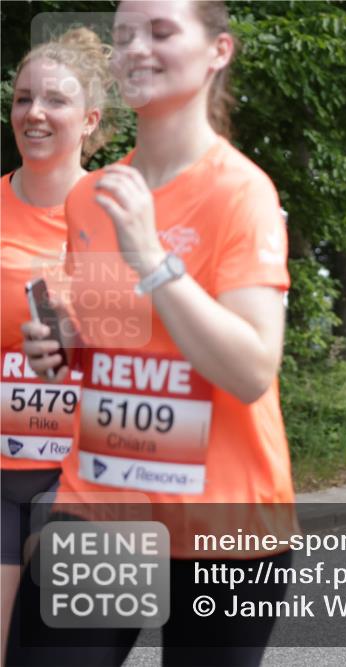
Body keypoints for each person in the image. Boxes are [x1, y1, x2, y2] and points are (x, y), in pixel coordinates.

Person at [12, 2, 296, 665]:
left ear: (217, 51)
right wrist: (65, 355)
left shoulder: (241, 193)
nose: (137, 48)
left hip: (226, 527)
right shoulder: (92, 198)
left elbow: (251, 368)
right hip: (106, 505)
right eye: (124, 36)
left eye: (161, 32)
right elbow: (121, 354)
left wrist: (152, 256)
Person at [0, 27, 111, 665]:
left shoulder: (125, 216)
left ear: (91, 118)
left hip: (97, 481)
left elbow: (161, 363)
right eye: (22, 98)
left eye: (55, 101)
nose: (34, 113)